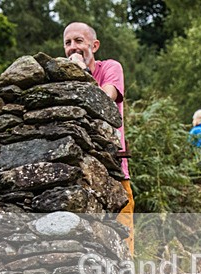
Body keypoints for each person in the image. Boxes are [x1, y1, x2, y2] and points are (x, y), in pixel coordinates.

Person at [64, 22, 135, 255]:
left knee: (122, 234)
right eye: (68, 43)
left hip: (114, 168)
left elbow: (106, 98)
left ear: (94, 46)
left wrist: (82, 71)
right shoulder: (60, 76)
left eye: (79, 41)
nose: (73, 47)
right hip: (75, 170)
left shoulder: (111, 67)